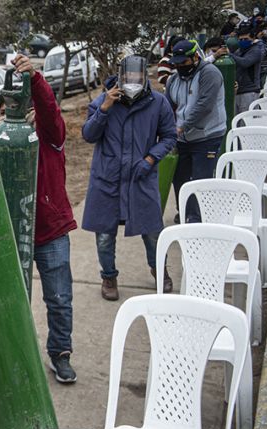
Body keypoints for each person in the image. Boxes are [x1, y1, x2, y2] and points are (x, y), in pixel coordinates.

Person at [0, 54, 78, 383]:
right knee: (11, 300)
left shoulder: (48, 137)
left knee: (59, 299)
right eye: (3, 110)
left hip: (50, 232)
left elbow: (50, 113)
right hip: (13, 234)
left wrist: (37, 79)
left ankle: (61, 353)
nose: (9, 114)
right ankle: (12, 356)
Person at [82, 55, 177, 301]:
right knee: (104, 234)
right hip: (108, 178)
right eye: (128, 77)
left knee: (153, 230)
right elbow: (89, 135)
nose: (132, 81)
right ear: (121, 76)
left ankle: (159, 270)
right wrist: (104, 110)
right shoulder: (104, 100)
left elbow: (169, 137)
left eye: (137, 76)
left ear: (145, 76)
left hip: (140, 176)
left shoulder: (158, 102)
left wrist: (150, 159)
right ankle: (109, 276)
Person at [165, 40, 227, 224]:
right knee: (180, 178)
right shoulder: (174, 80)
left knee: (200, 179)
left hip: (207, 136)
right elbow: (168, 106)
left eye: (183, 62)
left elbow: (204, 106)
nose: (180, 66)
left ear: (195, 57)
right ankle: (184, 211)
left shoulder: (210, 73)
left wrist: (182, 126)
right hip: (182, 139)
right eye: (176, 63)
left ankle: (199, 219)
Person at [231, 23, 264, 114]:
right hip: (238, 90)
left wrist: (230, 55)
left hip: (250, 91)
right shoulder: (239, 51)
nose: (243, 41)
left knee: (247, 122)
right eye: (241, 39)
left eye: (246, 39)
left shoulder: (256, 50)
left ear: (253, 39)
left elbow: (245, 62)